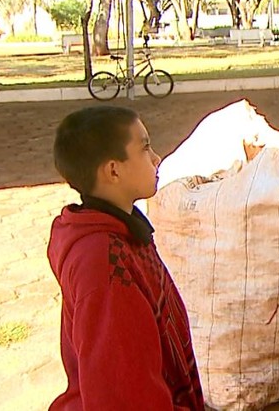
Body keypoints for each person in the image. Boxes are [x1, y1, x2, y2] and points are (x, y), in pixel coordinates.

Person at [48, 106, 204, 410]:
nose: (156, 158)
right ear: (113, 170)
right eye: (145, 147)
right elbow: (122, 391)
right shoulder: (104, 266)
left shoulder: (122, 230)